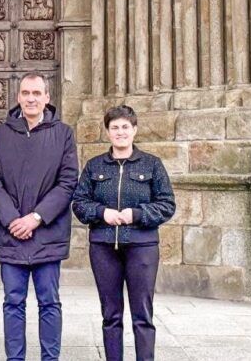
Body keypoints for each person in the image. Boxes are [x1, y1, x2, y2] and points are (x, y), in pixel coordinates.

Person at [0, 72, 79, 361]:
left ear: (47, 98)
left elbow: (67, 181)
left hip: (47, 234)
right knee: (13, 302)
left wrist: (36, 217)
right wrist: (13, 220)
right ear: (18, 97)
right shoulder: (0, 135)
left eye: (37, 93)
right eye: (26, 93)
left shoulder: (63, 134)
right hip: (10, 233)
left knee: (49, 303)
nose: (31, 98)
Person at [72, 105, 176, 361]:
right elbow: (79, 202)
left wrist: (136, 215)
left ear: (134, 130)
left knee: (142, 314)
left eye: (125, 127)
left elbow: (167, 204)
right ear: (107, 132)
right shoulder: (94, 166)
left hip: (142, 248)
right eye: (115, 128)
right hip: (103, 247)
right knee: (111, 314)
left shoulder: (152, 165)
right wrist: (101, 213)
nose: (120, 132)